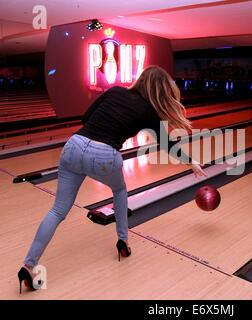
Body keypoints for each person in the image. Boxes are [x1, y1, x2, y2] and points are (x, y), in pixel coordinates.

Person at [18, 65, 206, 293]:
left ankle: (29, 265)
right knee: (119, 191)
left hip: (73, 145)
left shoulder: (116, 91)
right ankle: (123, 241)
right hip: (104, 155)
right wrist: (191, 162)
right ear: (161, 91)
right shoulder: (149, 112)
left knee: (58, 211)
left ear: (141, 80)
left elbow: (86, 117)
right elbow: (167, 144)